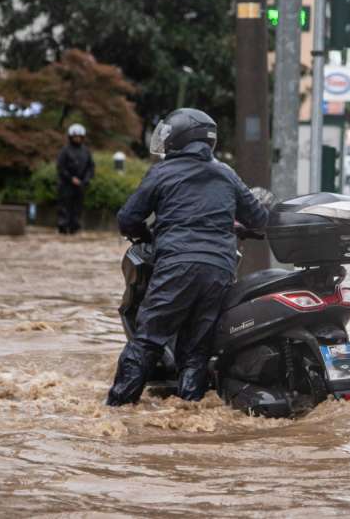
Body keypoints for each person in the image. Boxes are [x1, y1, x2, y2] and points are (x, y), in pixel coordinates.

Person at [106, 108, 269, 406]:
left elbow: (128, 218)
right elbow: (259, 218)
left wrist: (145, 234)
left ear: (179, 138)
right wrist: (236, 226)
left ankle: (116, 409)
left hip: (177, 265)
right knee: (197, 349)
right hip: (220, 268)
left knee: (148, 339)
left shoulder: (162, 172)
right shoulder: (226, 173)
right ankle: (188, 409)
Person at [57, 124, 95, 234]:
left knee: (77, 207)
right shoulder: (65, 150)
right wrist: (71, 178)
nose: (77, 139)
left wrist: (86, 179)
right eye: (75, 137)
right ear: (71, 137)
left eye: (79, 137)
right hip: (66, 184)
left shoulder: (86, 151)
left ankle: (75, 227)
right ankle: (63, 227)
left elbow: (91, 167)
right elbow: (60, 167)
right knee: (64, 206)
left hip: (81, 184)